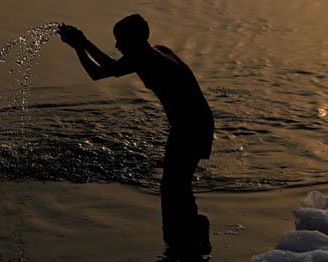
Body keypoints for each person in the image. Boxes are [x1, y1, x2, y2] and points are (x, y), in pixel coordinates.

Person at [58, 15, 213, 255]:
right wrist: (83, 44)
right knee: (176, 184)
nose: (118, 46)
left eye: (120, 41)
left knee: (172, 186)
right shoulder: (155, 50)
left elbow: (101, 71)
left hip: (189, 127)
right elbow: (107, 69)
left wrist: (80, 45)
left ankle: (186, 242)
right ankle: (191, 236)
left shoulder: (146, 56)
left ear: (133, 40)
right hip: (197, 122)